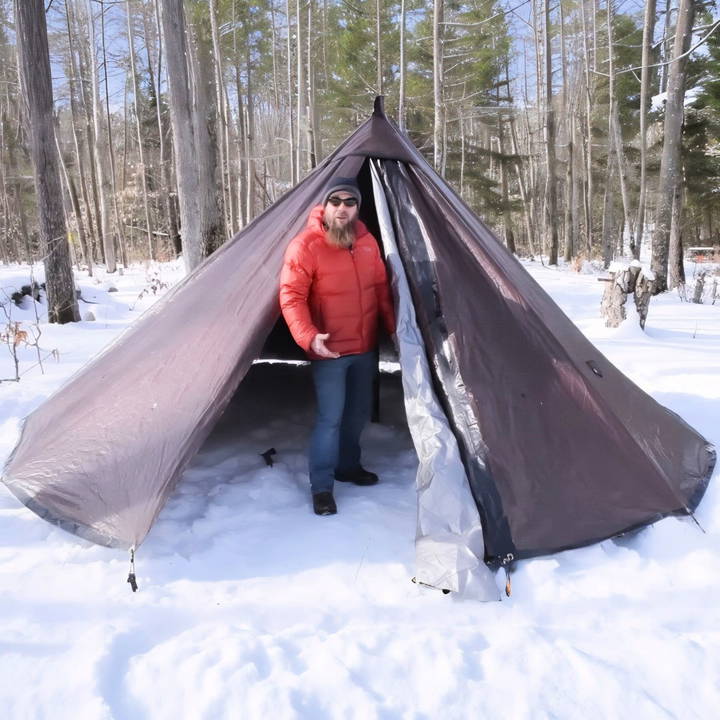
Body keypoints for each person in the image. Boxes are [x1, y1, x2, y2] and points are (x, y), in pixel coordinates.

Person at [279, 177, 396, 516]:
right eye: (336, 202)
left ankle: (348, 466)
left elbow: (381, 290)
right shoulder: (306, 246)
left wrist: (394, 331)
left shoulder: (367, 241)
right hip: (329, 351)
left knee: (357, 414)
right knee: (330, 418)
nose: (343, 208)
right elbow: (291, 297)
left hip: (363, 347)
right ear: (325, 207)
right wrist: (308, 336)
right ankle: (322, 487)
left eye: (350, 202)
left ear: (358, 208)